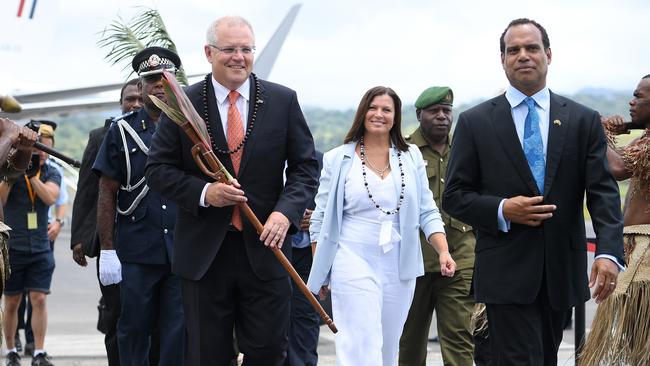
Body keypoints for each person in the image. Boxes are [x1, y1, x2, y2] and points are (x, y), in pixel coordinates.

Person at [442, 18, 625, 365]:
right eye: (514, 50)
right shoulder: (475, 122)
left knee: (544, 358)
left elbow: (602, 193)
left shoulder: (582, 119)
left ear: (548, 54)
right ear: (503, 59)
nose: (523, 55)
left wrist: (608, 253)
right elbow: (454, 195)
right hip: (504, 272)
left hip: (561, 272)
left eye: (531, 48)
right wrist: (502, 209)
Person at [145, 16, 319, 366]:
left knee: (270, 352)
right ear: (209, 53)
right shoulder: (184, 104)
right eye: (229, 49)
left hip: (267, 250)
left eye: (245, 49)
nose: (238, 57)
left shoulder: (283, 100)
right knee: (206, 355)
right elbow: (157, 170)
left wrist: (285, 214)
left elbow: (305, 168)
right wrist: (205, 192)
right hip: (205, 255)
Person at [307, 86, 455, 366]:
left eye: (386, 109)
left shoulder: (411, 157)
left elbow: (427, 209)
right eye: (373, 108)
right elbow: (320, 218)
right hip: (351, 258)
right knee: (361, 341)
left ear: (396, 117)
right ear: (362, 112)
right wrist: (321, 268)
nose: (379, 114)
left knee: (388, 348)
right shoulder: (338, 158)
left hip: (398, 264)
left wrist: (443, 250)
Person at [93, 47, 184, 366]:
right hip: (136, 250)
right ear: (141, 86)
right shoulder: (121, 130)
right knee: (133, 330)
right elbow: (107, 190)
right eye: (150, 79)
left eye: (164, 78)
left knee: (177, 332)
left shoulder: (192, 128)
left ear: (175, 82)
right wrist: (107, 248)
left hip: (182, 248)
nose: (158, 84)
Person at [399, 86, 475, 366]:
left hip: (460, 258)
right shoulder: (404, 152)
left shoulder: (466, 150)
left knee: (460, 337)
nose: (442, 116)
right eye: (434, 111)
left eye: (446, 111)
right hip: (415, 259)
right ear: (420, 115)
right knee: (410, 340)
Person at [70, 78, 141, 365]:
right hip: (110, 242)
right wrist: (80, 237)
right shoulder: (102, 136)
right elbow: (87, 188)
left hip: (148, 239)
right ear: (121, 102)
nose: (135, 104)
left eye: (139, 98)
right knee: (116, 313)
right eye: (129, 99)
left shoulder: (164, 134)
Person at [580, 74, 650, 366]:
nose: (632, 102)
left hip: (645, 253)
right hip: (635, 247)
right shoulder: (643, 139)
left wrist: (597, 131)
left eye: (640, 97)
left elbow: (618, 166)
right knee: (637, 345)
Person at [1, 121, 60, 366]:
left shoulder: (50, 172)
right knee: (12, 301)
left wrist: (33, 176)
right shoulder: (10, 168)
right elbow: (1, 200)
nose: (39, 154)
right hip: (14, 245)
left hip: (39, 245)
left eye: (43, 149)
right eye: (35, 150)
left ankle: (38, 351)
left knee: (39, 299)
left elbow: (50, 197)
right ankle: (11, 350)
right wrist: (14, 176)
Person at [286, 150, 323, 366]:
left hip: (307, 252)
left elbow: (333, 203)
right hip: (271, 249)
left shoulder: (319, 160)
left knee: (306, 317)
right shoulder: (263, 156)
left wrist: (316, 217)